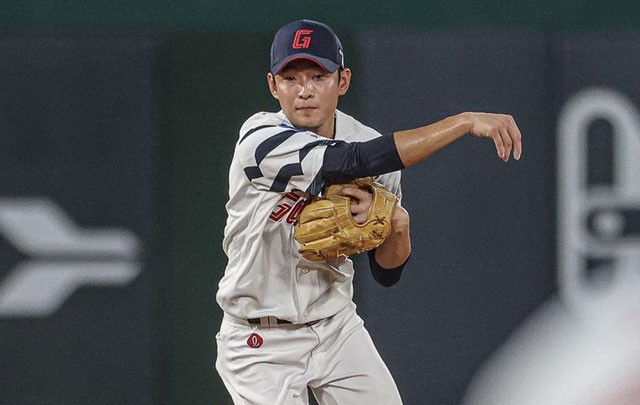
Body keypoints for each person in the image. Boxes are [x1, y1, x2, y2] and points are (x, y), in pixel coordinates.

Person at [215, 19, 522, 405]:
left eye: (318, 75)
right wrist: (460, 123)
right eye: (290, 78)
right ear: (273, 86)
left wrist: (396, 227)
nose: (305, 90)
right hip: (259, 340)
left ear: (342, 81)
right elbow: (351, 160)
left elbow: (386, 273)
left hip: (335, 326)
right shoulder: (259, 140)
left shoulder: (375, 150)